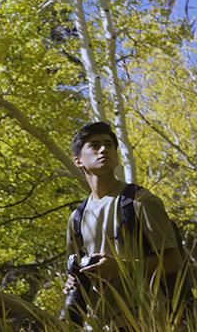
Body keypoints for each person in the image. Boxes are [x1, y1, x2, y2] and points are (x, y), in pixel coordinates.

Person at [63, 122, 182, 330]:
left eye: (109, 145)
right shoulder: (76, 218)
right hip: (100, 323)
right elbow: (76, 272)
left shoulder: (140, 201)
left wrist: (121, 267)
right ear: (78, 160)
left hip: (148, 320)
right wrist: (73, 281)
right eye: (94, 145)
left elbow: (174, 262)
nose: (104, 149)